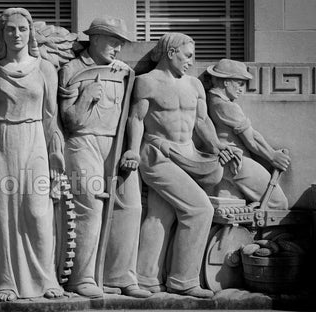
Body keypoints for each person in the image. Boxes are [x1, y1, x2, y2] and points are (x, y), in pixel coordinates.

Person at [124, 32, 238, 298]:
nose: (191, 61)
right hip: (158, 155)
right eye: (188, 55)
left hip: (189, 153)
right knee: (199, 209)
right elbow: (136, 120)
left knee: (160, 215)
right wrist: (132, 150)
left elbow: (202, 122)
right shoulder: (146, 83)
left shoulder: (194, 86)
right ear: (171, 52)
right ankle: (184, 280)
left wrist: (216, 146)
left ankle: (146, 278)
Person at [0, 7, 65, 302]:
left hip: (34, 141)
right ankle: (5, 280)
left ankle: (46, 279)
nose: (17, 34)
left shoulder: (45, 68)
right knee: (3, 214)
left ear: (30, 31)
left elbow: (50, 116)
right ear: (2, 33)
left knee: (37, 212)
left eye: (22, 28)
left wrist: (55, 153)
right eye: (10, 29)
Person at [57, 17, 150, 299]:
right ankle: (81, 278)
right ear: (95, 38)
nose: (118, 49)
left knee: (131, 207)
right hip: (83, 142)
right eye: (113, 41)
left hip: (117, 145)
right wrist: (86, 97)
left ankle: (120, 276)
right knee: (91, 207)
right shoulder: (71, 69)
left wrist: (131, 149)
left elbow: (134, 116)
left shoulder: (123, 72)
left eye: (121, 43)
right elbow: (69, 120)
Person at [207, 59, 290, 209]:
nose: (241, 89)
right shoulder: (227, 107)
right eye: (239, 83)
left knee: (231, 210)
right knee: (279, 203)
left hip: (224, 163)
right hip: (237, 162)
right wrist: (273, 156)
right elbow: (251, 139)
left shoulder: (211, 100)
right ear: (226, 82)